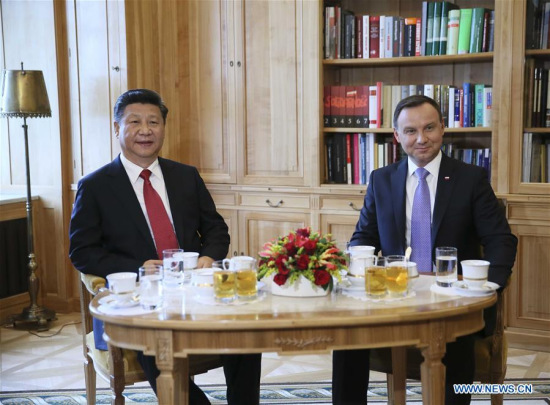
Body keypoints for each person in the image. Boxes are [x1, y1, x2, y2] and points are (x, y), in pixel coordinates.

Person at [69, 88, 261, 404]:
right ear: (117, 128)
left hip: (196, 290)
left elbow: (216, 230)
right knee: (158, 348)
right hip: (140, 300)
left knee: (245, 334)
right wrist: (136, 269)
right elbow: (82, 251)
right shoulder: (95, 186)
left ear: (163, 128)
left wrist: (209, 256)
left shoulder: (186, 176)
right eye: (135, 122)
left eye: (154, 122)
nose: (146, 130)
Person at [332, 95, 517, 405]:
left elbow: (501, 240)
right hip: (393, 296)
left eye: (429, 128)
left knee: (453, 341)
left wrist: (488, 287)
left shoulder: (470, 179)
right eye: (410, 131)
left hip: (450, 296)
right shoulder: (381, 180)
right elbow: (364, 236)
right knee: (348, 336)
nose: (421, 139)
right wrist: (356, 264)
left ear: (443, 129)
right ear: (397, 135)